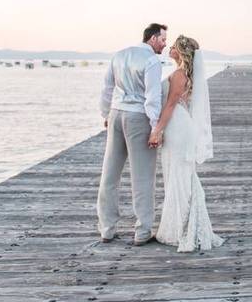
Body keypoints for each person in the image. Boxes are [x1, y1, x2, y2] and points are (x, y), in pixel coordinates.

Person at [150, 35, 224, 252]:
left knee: (179, 176)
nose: (169, 48)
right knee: (181, 175)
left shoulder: (179, 74)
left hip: (178, 127)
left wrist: (157, 130)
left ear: (180, 52)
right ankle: (182, 225)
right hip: (182, 126)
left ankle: (179, 229)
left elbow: (171, 105)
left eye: (172, 46)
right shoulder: (185, 74)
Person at [96, 22, 167, 245]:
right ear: (153, 38)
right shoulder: (152, 61)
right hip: (138, 117)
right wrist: (155, 127)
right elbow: (152, 98)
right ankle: (142, 231)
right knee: (142, 176)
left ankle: (106, 229)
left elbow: (107, 87)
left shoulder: (119, 55)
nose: (165, 45)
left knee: (109, 174)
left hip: (117, 114)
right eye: (163, 39)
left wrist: (106, 113)